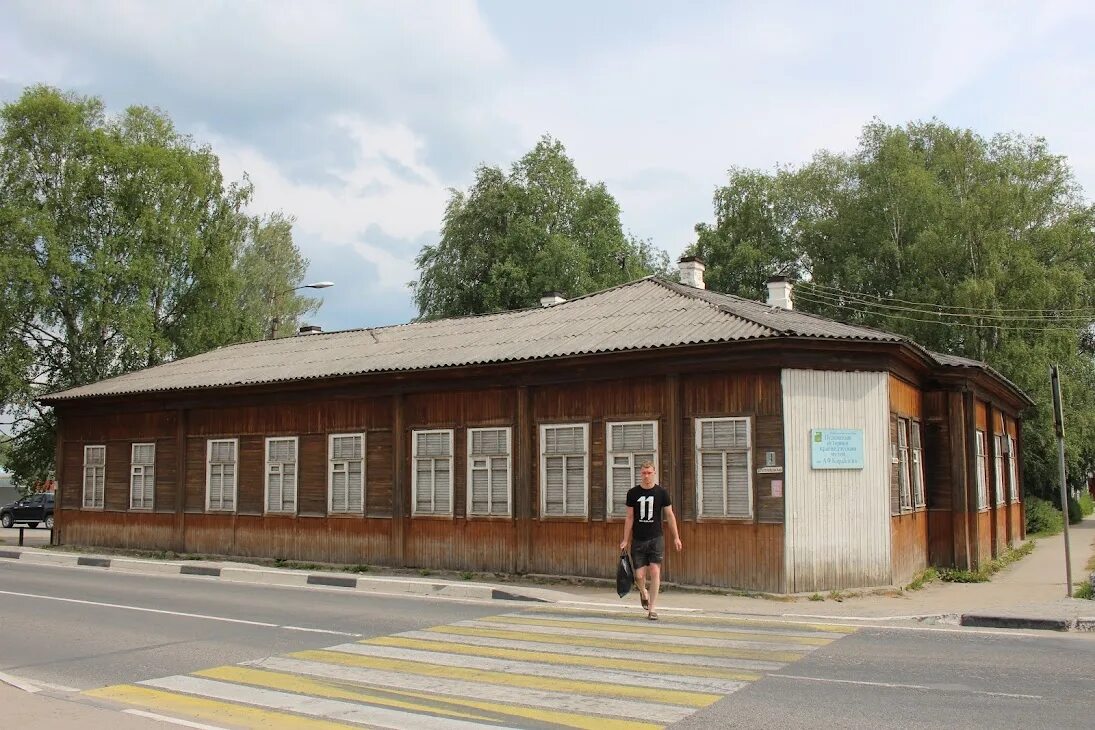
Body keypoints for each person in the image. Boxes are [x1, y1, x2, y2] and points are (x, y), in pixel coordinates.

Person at [618, 461, 682, 620]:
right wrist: (625, 539)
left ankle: (652, 609)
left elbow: (670, 515)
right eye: (643, 473)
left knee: (654, 571)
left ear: (654, 473)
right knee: (639, 576)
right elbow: (629, 517)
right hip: (638, 539)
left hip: (656, 538)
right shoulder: (632, 493)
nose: (646, 476)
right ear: (640, 474)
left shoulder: (661, 493)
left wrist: (676, 537)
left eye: (649, 473)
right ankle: (643, 592)